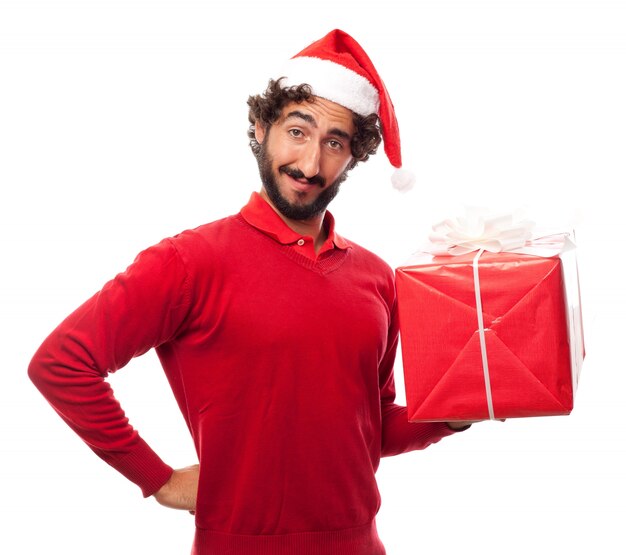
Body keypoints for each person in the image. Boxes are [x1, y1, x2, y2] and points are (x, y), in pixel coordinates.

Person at [29, 29, 471, 555]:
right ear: (261, 128)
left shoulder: (376, 277)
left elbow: (370, 430)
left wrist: (454, 411)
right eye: (297, 131)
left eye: (335, 142)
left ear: (352, 157)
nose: (310, 165)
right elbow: (61, 362)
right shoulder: (189, 261)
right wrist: (158, 478)